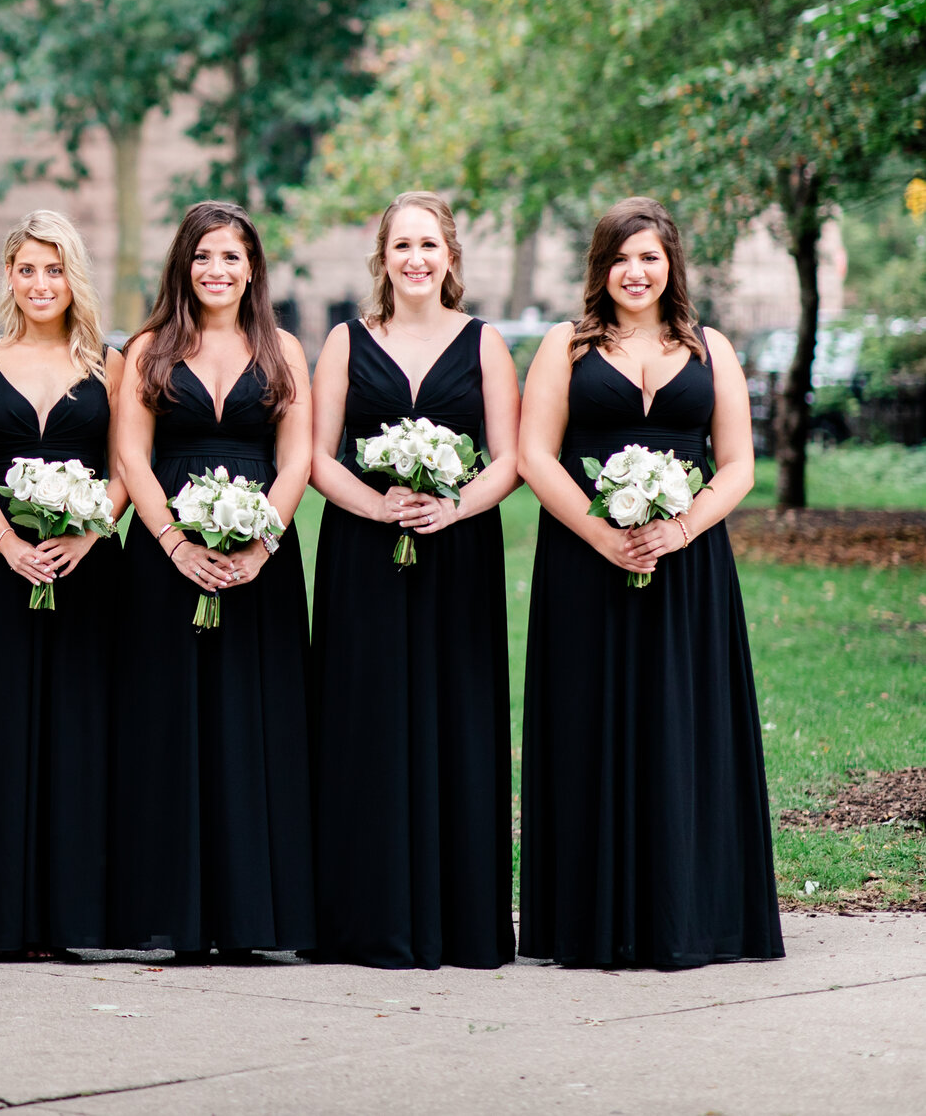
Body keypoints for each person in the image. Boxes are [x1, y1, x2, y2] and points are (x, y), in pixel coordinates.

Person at [517, 197, 781, 968]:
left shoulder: (710, 350)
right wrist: (603, 534)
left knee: (681, 723)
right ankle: (592, 919)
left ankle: (688, 913)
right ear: (601, 268)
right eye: (621, 257)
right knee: (589, 721)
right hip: (584, 566)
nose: (636, 271)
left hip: (686, 566)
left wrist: (681, 525)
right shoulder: (564, 348)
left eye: (650, 257)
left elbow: (739, 465)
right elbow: (536, 455)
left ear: (672, 265)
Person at [307, 192, 521, 969]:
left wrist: (453, 506)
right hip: (364, 559)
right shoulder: (343, 342)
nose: (417, 259)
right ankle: (363, 919)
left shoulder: (486, 344)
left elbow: (512, 458)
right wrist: (377, 504)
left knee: (454, 721)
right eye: (403, 245)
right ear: (383, 258)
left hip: (457, 558)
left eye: (429, 245)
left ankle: (458, 921)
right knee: (366, 723)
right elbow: (317, 456)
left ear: (451, 257)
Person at [108, 201, 315, 957]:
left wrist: (261, 543)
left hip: (260, 560)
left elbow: (296, 459)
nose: (216, 270)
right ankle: (174, 914)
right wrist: (173, 542)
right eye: (203, 256)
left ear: (252, 266)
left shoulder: (283, 347)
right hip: (166, 560)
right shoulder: (150, 348)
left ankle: (255, 915)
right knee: (170, 724)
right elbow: (132, 455)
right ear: (182, 266)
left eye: (231, 256)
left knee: (251, 724)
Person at [0, 210, 122, 959]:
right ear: (9, 277)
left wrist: (84, 534)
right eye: (26, 268)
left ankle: (76, 916)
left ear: (73, 276)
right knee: (4, 728)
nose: (40, 283)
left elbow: (125, 470)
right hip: (2, 567)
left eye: (53, 269)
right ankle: (5, 915)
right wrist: (7, 543)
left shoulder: (109, 364)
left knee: (81, 732)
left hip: (87, 572)